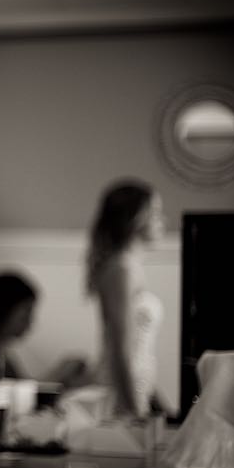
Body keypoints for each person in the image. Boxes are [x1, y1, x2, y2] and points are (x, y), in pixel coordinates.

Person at [84, 178, 166, 418]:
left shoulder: (129, 267)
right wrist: (133, 409)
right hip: (121, 390)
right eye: (157, 213)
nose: (163, 222)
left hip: (137, 384)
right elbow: (121, 347)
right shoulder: (122, 269)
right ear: (138, 218)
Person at [0, 272, 89, 397]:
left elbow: (21, 386)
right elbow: (15, 393)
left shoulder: (1, 354)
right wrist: (59, 374)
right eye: (26, 314)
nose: (30, 322)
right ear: (6, 308)